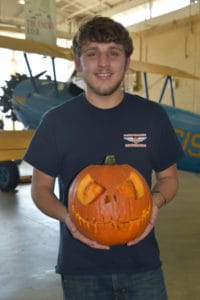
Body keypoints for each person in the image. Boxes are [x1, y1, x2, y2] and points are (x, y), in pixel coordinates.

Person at [24, 16, 184, 300]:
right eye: (92, 53)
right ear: (78, 62)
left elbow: (169, 178)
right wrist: (68, 218)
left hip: (143, 265)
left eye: (113, 52)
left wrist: (154, 202)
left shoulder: (152, 116)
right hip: (80, 269)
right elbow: (40, 189)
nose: (103, 64)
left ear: (127, 61)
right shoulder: (56, 122)